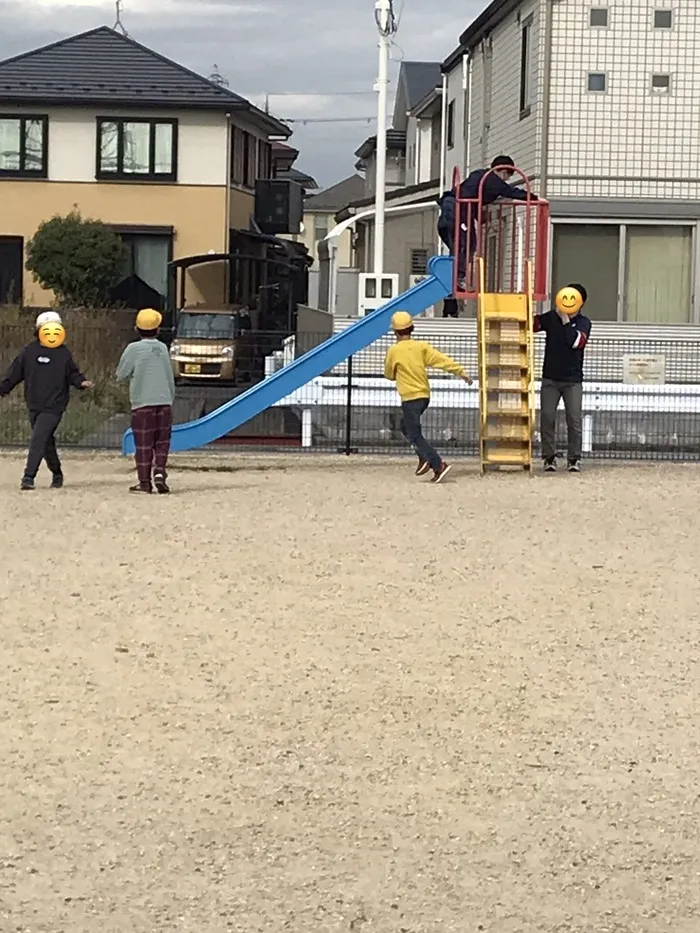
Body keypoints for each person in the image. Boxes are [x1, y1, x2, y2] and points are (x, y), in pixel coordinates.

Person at [0, 311, 93, 490]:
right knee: (45, 441)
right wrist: (3, 390)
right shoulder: (29, 351)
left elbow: (72, 373)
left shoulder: (63, 353)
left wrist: (81, 382)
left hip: (54, 405)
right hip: (34, 403)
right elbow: (13, 375)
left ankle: (28, 477)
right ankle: (57, 473)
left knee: (38, 438)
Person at [436, 155, 539, 316]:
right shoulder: (492, 180)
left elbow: (472, 195)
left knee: (458, 248)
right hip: (457, 212)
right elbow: (511, 191)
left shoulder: (479, 175)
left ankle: (451, 299)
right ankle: (459, 278)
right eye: (508, 174)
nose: (507, 179)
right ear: (502, 170)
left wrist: (479, 216)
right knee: (467, 245)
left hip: (449, 210)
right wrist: (534, 198)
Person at [384, 310, 472, 483]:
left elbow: (388, 374)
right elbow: (441, 360)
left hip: (409, 397)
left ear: (395, 331)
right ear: (412, 328)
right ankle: (424, 457)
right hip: (424, 395)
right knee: (405, 426)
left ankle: (438, 464)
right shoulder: (421, 347)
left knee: (414, 433)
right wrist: (461, 372)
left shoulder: (394, 351)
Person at [116, 308, 176, 494]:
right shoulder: (163, 348)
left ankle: (144, 482)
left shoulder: (133, 349)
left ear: (137, 328)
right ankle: (159, 471)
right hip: (164, 401)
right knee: (162, 441)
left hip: (142, 402)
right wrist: (170, 397)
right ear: (158, 329)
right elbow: (169, 375)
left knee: (143, 443)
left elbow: (121, 374)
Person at [534, 284, 592, 473]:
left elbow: (577, 342)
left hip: (573, 380)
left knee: (573, 419)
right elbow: (533, 324)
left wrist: (566, 320)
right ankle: (549, 457)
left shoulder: (584, 322)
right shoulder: (551, 318)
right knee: (547, 417)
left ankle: (573, 458)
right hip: (550, 377)